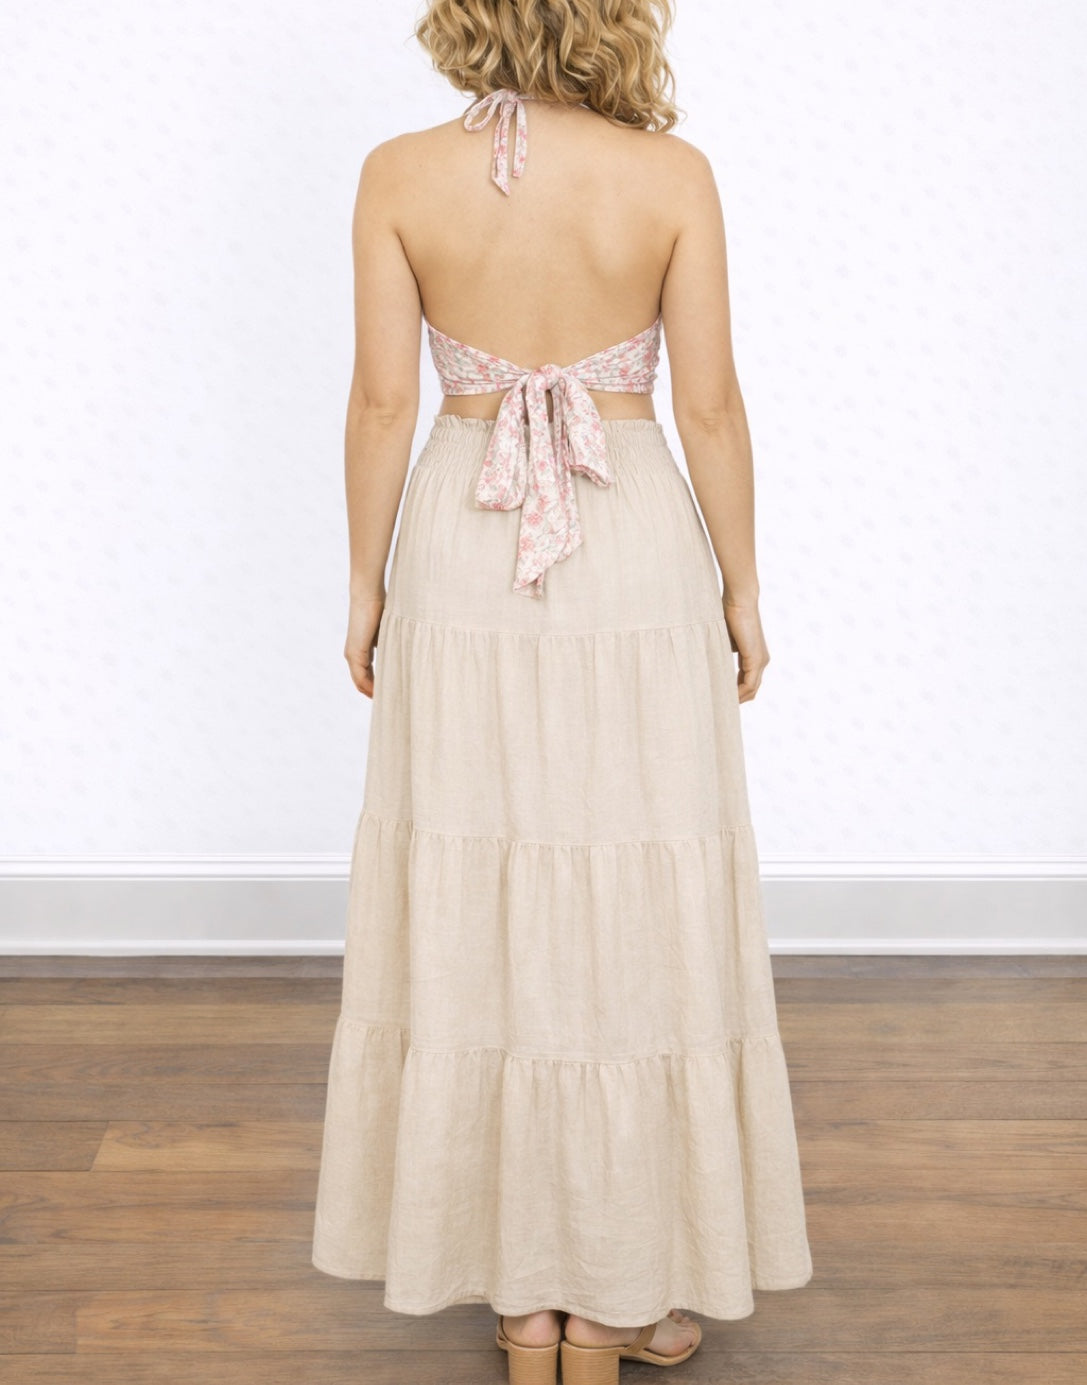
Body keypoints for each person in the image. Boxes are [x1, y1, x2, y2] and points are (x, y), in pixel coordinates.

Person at [310, 2, 814, 1381]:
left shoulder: (399, 175)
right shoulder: (671, 179)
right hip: (632, 541)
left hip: (468, 548)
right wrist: (743, 585)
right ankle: (608, 1301)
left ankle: (527, 1302)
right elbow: (707, 406)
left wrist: (364, 584)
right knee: (628, 896)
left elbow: (378, 404)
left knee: (494, 891)